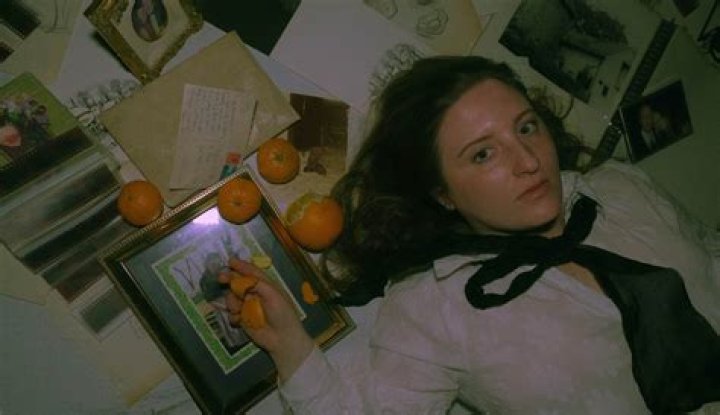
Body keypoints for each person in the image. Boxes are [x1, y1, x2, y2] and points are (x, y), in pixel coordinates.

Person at [219, 56, 720, 414]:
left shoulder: (622, 186)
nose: (528, 161)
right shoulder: (435, 307)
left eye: (525, 127)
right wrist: (289, 345)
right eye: (483, 153)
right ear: (442, 193)